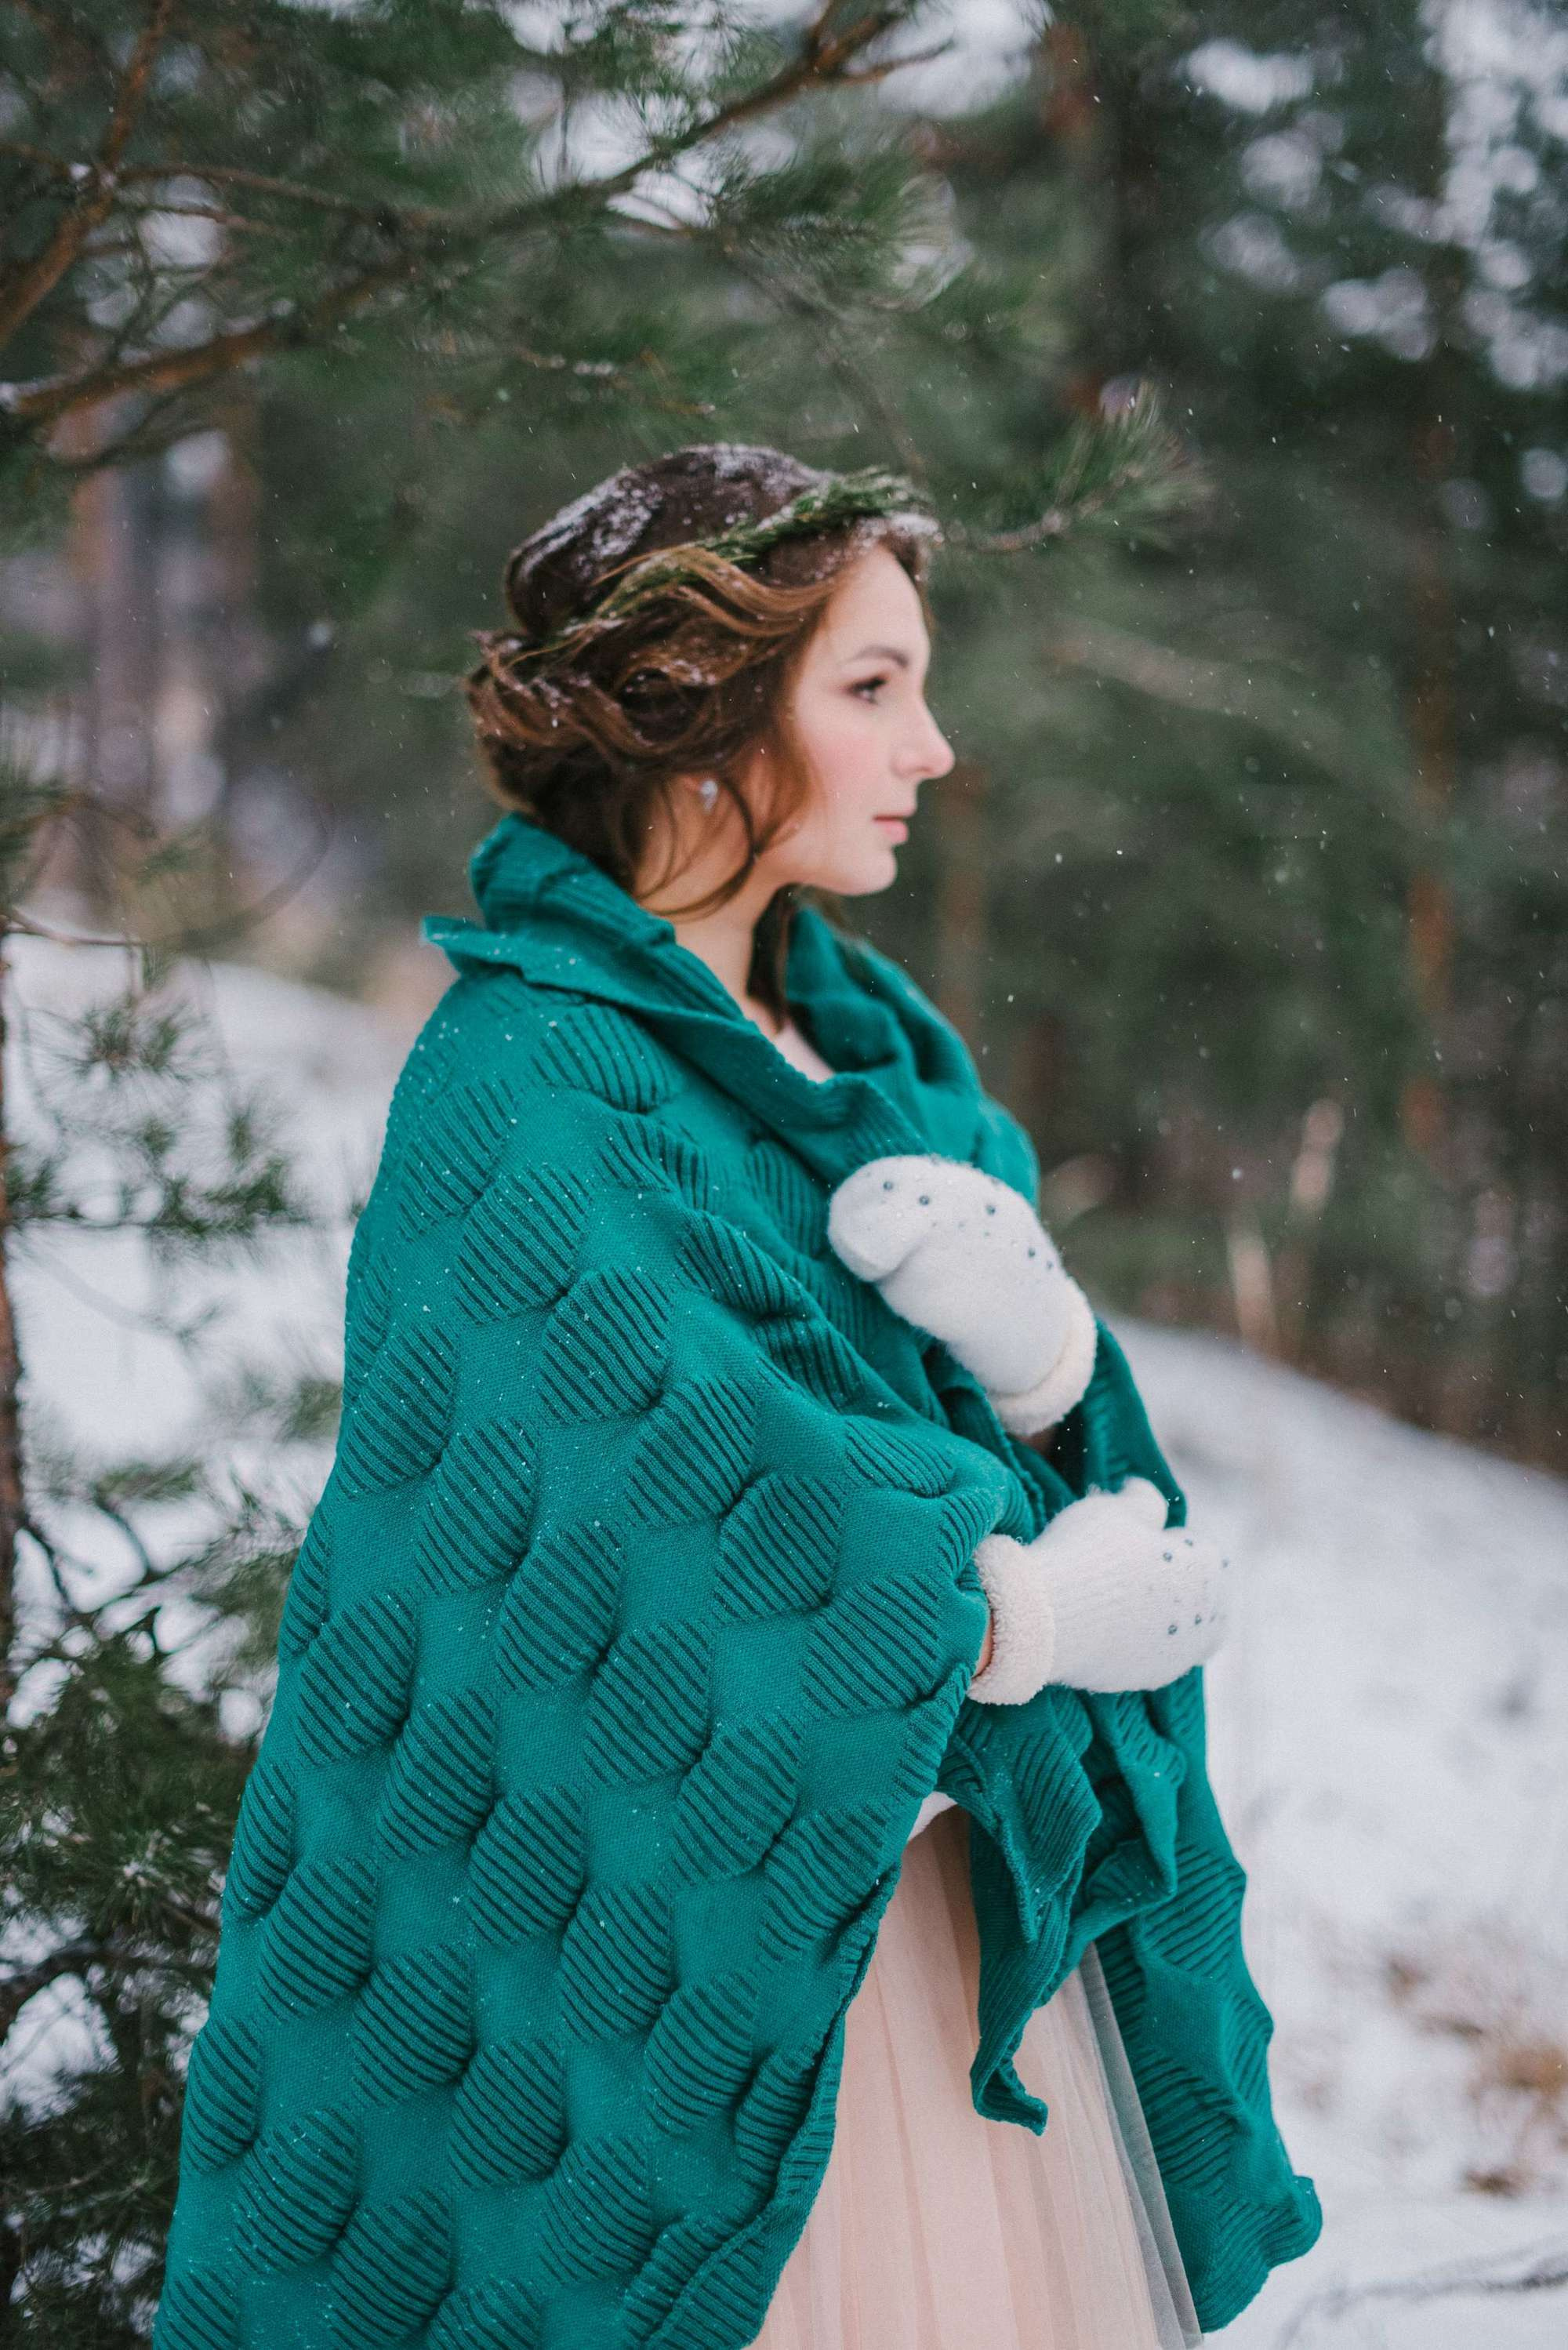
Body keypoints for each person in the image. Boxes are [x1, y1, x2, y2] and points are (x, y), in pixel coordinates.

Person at [153, 445, 1320, 2350]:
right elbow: (616, 1555)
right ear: (699, 708)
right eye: (871, 687)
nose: (930, 746)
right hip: (690, 1962)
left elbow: (1045, 1450)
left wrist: (1052, 1362)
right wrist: (1004, 1613)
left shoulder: (879, 1048)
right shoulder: (520, 1084)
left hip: (931, 1938)